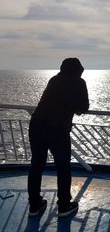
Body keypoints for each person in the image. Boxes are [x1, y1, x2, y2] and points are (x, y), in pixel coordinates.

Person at [28, 58, 89, 217]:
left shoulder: (54, 80)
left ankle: (34, 206)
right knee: (63, 168)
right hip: (57, 129)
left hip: (36, 125)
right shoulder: (79, 82)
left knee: (36, 166)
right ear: (79, 70)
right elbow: (83, 107)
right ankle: (64, 206)